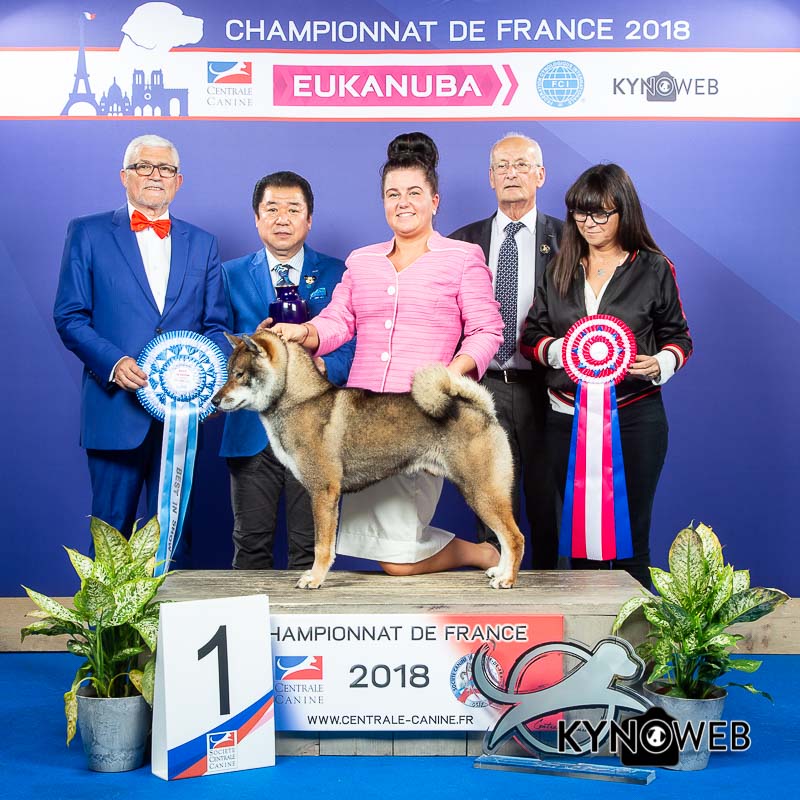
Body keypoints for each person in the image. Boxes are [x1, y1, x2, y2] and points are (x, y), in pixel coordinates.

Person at [272, 132, 504, 576]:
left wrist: (450, 377)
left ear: (434, 200)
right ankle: (473, 556)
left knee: (398, 562)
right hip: (363, 422)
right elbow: (339, 321)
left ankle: (484, 554)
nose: (403, 202)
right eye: (392, 194)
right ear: (382, 202)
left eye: (414, 192)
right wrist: (304, 332)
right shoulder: (362, 260)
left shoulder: (462, 257)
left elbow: (486, 329)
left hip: (421, 415)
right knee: (377, 550)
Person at [53, 133, 229, 549]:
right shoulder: (88, 232)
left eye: (165, 168)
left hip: (181, 417)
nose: (155, 175)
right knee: (110, 535)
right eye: (144, 166)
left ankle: (169, 596)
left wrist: (203, 381)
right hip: (114, 410)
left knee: (174, 537)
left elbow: (217, 326)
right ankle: (107, 601)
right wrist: (114, 363)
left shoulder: (203, 243)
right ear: (124, 176)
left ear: (178, 181)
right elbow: (70, 316)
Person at [521, 163, 692, 587]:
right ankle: (587, 633)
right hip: (566, 422)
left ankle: (638, 632)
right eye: (580, 212)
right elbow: (531, 337)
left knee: (633, 543)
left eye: (601, 213)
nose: (589, 222)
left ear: (624, 212)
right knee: (581, 544)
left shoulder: (654, 268)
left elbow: (679, 338)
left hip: (635, 418)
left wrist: (661, 362)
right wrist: (561, 351)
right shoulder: (558, 268)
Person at [221, 171, 354, 570]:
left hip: (316, 431)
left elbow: (357, 341)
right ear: (256, 218)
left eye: (293, 209)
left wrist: (324, 365)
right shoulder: (228, 274)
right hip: (251, 433)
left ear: (309, 219)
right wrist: (249, 346)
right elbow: (211, 336)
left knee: (310, 548)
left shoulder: (339, 273)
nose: (282, 218)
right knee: (250, 545)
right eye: (272, 209)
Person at [450, 133, 562, 569]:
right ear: (490, 177)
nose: (511, 174)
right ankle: (494, 585)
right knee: (488, 497)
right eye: (502, 166)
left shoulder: (568, 239)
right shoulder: (462, 242)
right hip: (483, 385)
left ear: (540, 175)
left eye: (521, 165)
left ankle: (551, 586)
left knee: (547, 500)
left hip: (544, 386)